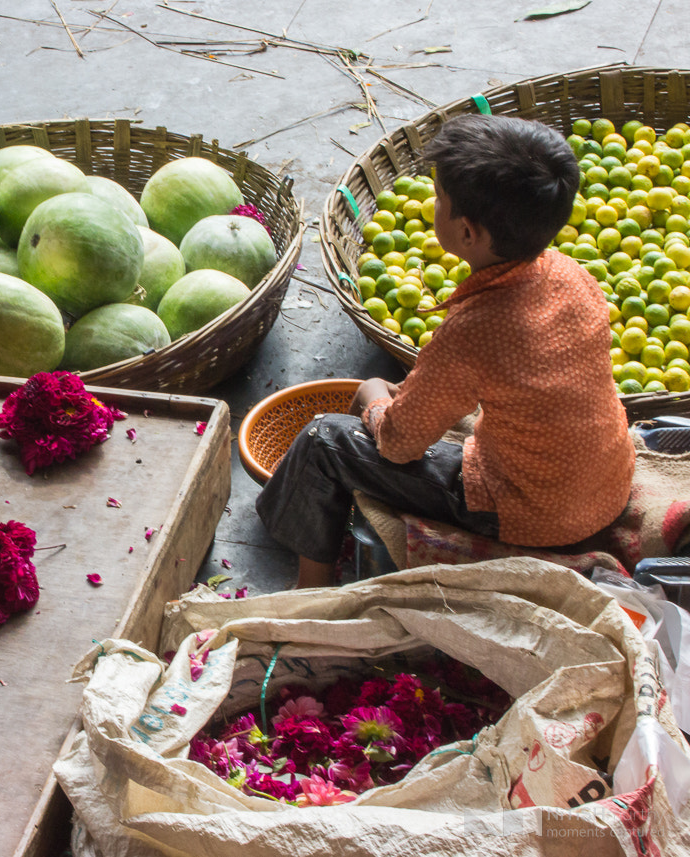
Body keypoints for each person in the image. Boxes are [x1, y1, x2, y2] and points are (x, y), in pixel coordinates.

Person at [257, 113, 636, 589]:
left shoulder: (474, 329)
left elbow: (398, 445)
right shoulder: (573, 276)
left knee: (321, 440)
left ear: (468, 233)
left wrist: (373, 397)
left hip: (533, 517)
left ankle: (310, 587)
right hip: (606, 486)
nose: (432, 205)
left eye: (439, 200)